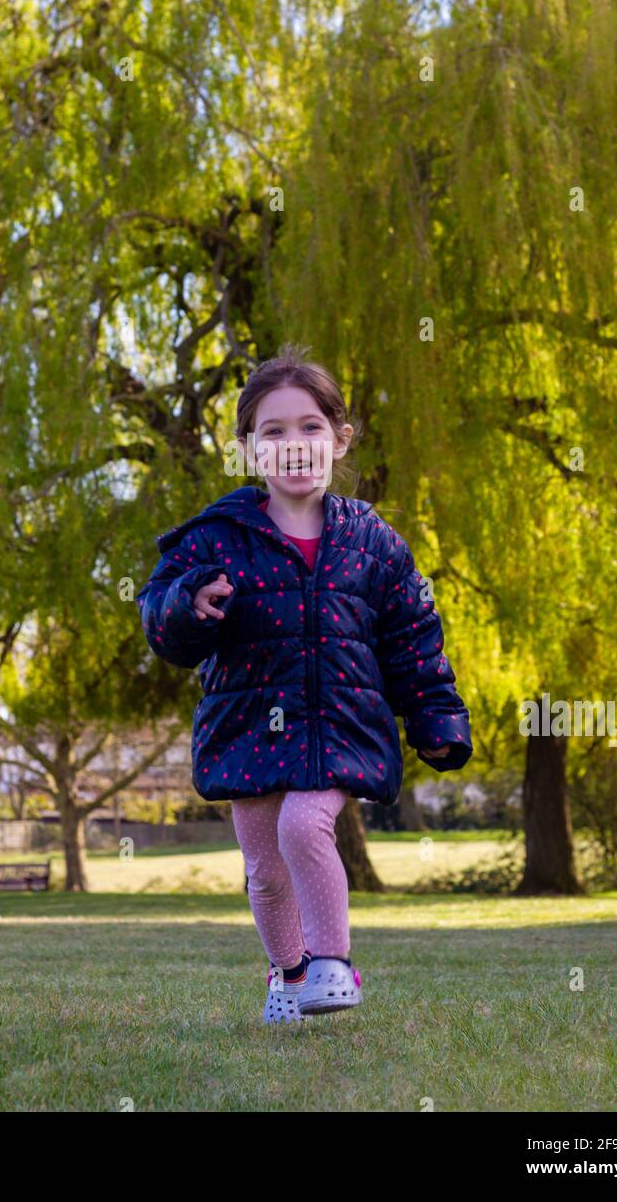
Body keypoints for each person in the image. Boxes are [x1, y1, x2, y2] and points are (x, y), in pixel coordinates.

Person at [136, 344, 472, 1024]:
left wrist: (436, 720)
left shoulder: (372, 541)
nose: (294, 445)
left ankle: (333, 965)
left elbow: (412, 637)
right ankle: (287, 976)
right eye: (274, 431)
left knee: (303, 823)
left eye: (310, 427)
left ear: (339, 439)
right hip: (248, 722)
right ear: (249, 450)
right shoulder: (218, 538)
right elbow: (159, 617)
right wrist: (188, 605)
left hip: (340, 721)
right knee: (263, 863)